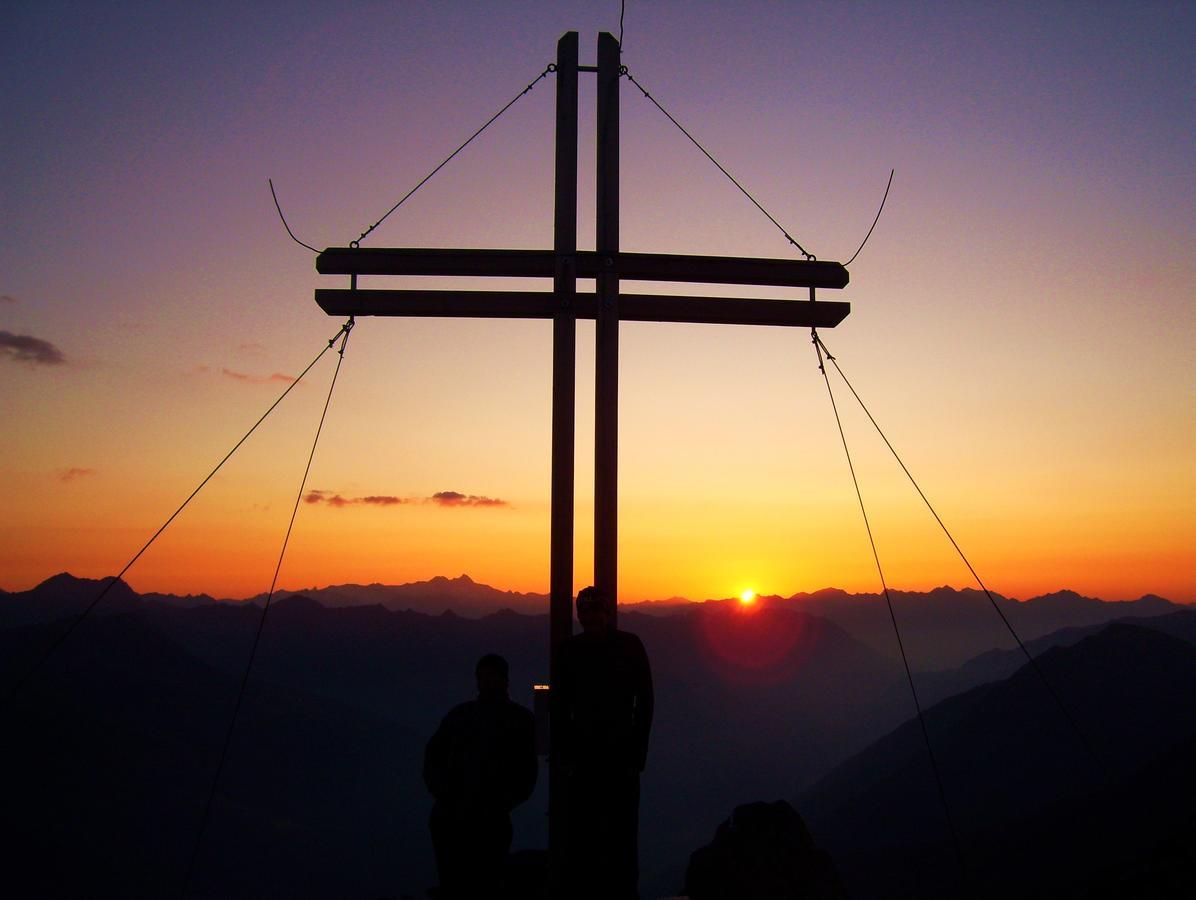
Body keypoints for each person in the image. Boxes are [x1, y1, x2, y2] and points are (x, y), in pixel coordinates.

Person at [557, 585, 654, 899]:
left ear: (607, 612)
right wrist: (568, 755)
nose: (591, 616)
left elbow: (646, 701)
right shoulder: (573, 650)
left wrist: (636, 756)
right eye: (586, 610)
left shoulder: (626, 646)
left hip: (617, 759)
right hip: (588, 760)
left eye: (596, 609)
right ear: (580, 614)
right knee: (589, 836)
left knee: (620, 838)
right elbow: (560, 707)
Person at [423, 653, 537, 899]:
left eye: (492, 677)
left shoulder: (517, 720)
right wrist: (445, 795)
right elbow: (433, 757)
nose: (487, 682)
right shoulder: (462, 716)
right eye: (483, 677)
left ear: (505, 680)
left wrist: (495, 804)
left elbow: (526, 775)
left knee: (477, 884)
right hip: (453, 819)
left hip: (485, 821)